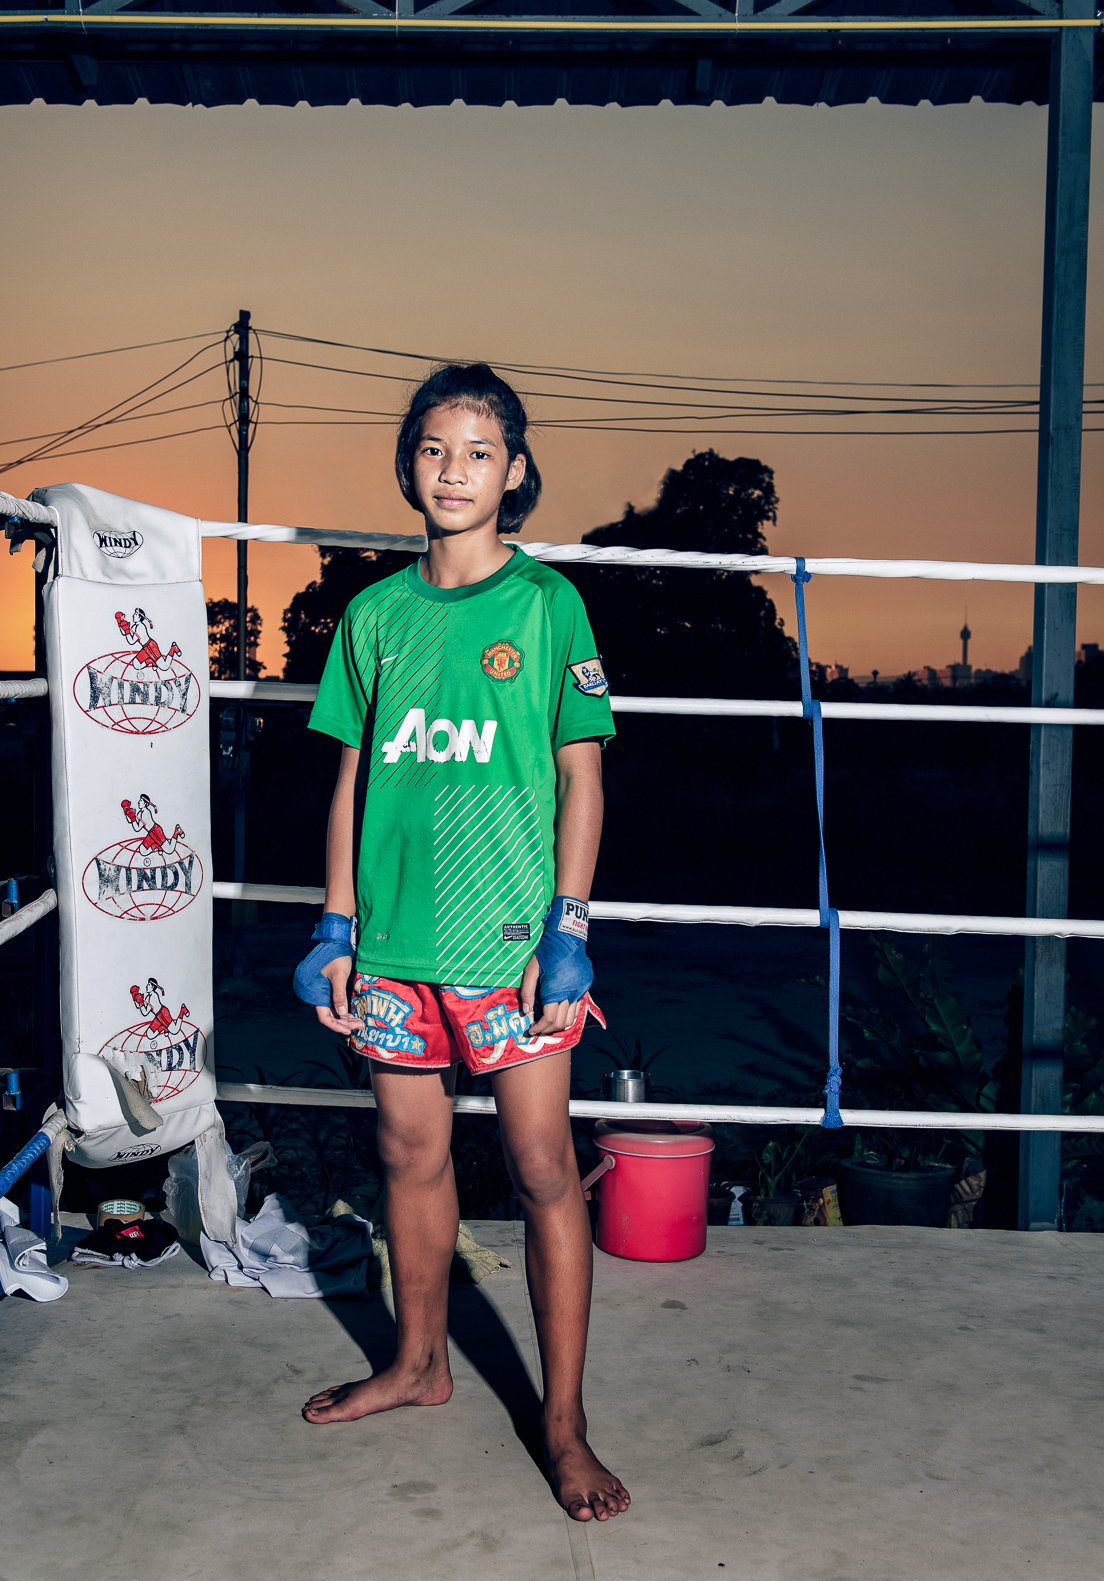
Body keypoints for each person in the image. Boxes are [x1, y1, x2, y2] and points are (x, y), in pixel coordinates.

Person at [293, 363, 629, 1523]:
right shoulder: (373, 617)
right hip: (395, 946)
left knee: (541, 1166)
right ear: (407, 465)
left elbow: (582, 779)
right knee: (407, 1153)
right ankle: (417, 1364)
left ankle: (563, 1423)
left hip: (512, 949)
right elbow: (351, 779)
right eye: (434, 449)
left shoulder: (547, 606)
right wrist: (335, 923)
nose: (453, 470)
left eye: (478, 452)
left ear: (515, 471)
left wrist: (568, 929)